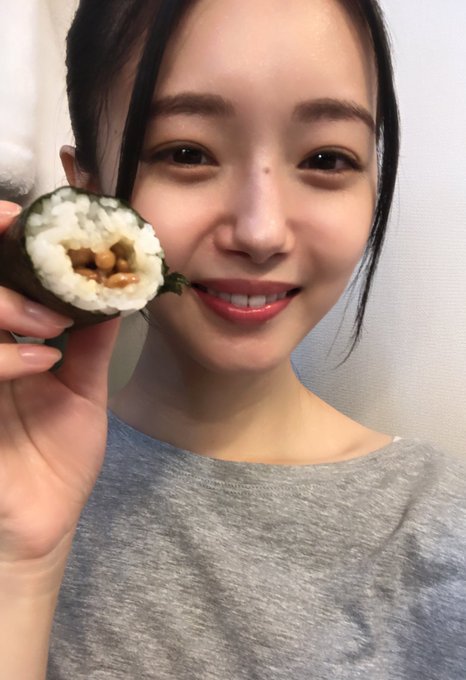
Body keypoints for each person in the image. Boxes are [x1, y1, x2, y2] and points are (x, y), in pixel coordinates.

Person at [1, 0, 465, 678]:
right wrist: (19, 565)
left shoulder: (441, 531)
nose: (261, 232)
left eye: (327, 158)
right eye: (186, 153)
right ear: (89, 188)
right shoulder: (15, 480)